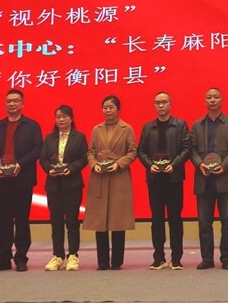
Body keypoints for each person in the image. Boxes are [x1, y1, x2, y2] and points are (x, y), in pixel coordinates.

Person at [0, 89, 43, 272]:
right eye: (9, 101)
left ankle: (21, 258)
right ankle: (4, 258)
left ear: (22, 104)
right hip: (0, 180)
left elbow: (38, 149)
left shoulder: (31, 126)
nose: (12, 104)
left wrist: (21, 164)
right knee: (3, 221)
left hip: (22, 180)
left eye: (15, 101)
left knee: (21, 220)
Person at [136, 92, 192, 270]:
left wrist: (174, 165)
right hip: (155, 180)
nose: (160, 106)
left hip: (174, 179)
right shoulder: (148, 127)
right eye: (157, 103)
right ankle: (159, 257)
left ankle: (176, 258)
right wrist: (149, 165)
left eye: (164, 102)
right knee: (157, 220)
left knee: (175, 219)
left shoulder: (180, 125)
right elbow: (141, 150)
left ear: (170, 104)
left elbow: (187, 148)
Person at [82, 95, 138, 270]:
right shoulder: (96, 129)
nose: (107, 110)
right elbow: (90, 152)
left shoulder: (127, 128)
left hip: (118, 177)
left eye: (111, 107)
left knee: (118, 220)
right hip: (99, 177)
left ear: (118, 109)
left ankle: (117, 261)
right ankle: (102, 261)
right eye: (105, 107)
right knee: (100, 221)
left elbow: (132, 152)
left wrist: (118, 164)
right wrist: (94, 164)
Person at [189, 87, 228, 270]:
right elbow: (192, 150)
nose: (212, 100)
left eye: (216, 97)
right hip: (203, 179)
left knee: (227, 221)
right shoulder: (197, 125)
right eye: (209, 97)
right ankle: (207, 258)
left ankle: (226, 259)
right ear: (205, 101)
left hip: (225, 179)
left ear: (221, 100)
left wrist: (224, 166)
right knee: (204, 222)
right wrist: (199, 164)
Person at [39, 105, 88, 271]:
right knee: (56, 222)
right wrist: (49, 169)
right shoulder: (49, 138)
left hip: (72, 184)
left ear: (71, 119)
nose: (61, 119)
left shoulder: (79, 137)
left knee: (72, 222)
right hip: (53, 185)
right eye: (58, 116)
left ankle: (73, 255)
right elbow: (43, 159)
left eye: (64, 116)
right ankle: (58, 256)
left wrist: (71, 169)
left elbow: (84, 158)